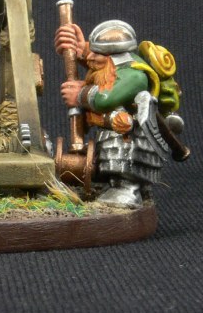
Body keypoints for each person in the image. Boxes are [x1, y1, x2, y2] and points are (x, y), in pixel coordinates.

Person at [55, 20, 164, 209]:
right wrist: (79, 49)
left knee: (123, 153)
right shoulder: (115, 66)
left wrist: (80, 94)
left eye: (97, 54)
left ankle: (128, 190)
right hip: (112, 129)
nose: (91, 57)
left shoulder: (134, 76)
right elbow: (101, 71)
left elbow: (105, 99)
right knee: (109, 153)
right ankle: (115, 185)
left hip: (129, 134)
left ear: (115, 57)